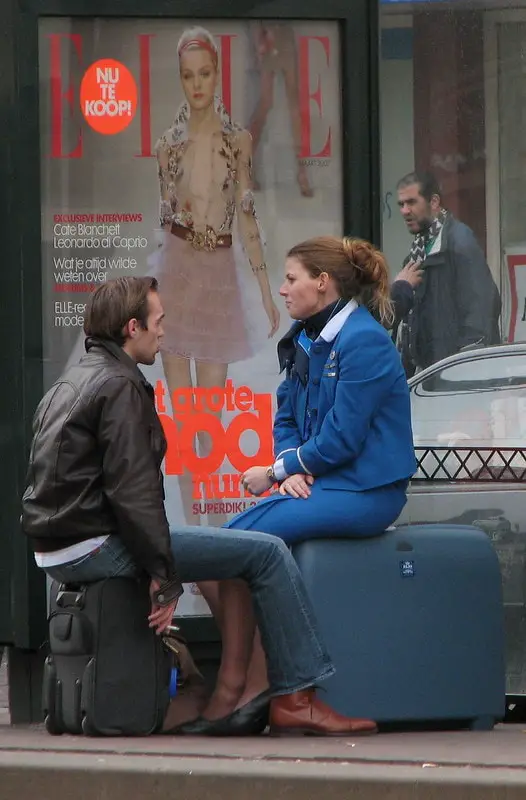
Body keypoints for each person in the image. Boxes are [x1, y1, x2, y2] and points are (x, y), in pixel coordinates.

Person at [21, 276, 377, 739]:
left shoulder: (73, 380)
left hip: (58, 547)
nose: (164, 333)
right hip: (98, 544)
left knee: (231, 545)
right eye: (159, 322)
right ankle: (296, 697)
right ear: (133, 327)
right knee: (266, 551)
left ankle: (236, 687)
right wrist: (164, 578)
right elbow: (134, 494)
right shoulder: (119, 386)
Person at [196, 236, 417, 718]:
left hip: (367, 492)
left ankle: (243, 689)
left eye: (291, 279)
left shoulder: (365, 342)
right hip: (321, 482)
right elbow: (285, 416)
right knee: (220, 554)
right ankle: (256, 685)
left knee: (236, 546)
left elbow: (342, 440)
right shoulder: (305, 336)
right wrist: (291, 468)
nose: (281, 289)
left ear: (323, 283)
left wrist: (279, 470)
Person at [148, 25, 280, 530]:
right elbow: (164, 225)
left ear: (218, 74)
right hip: (178, 272)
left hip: (220, 274)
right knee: (184, 424)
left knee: (209, 420)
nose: (196, 84)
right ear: (181, 79)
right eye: (187, 76)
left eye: (204, 73)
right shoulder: (167, 147)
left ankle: (208, 532)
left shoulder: (237, 141)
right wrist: (153, 298)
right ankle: (194, 533)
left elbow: (248, 215)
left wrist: (266, 293)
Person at [393, 171, 501, 376]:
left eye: (411, 202)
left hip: (455, 378)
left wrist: (464, 371)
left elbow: (481, 311)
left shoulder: (459, 241)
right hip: (428, 375)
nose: (405, 211)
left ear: (434, 202)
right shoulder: (418, 250)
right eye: (401, 204)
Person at [247, 21, 313, 197]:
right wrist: (259, 39)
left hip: (280, 32)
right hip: (267, 32)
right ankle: (246, 167)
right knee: (267, 102)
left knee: (292, 103)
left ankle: (302, 172)